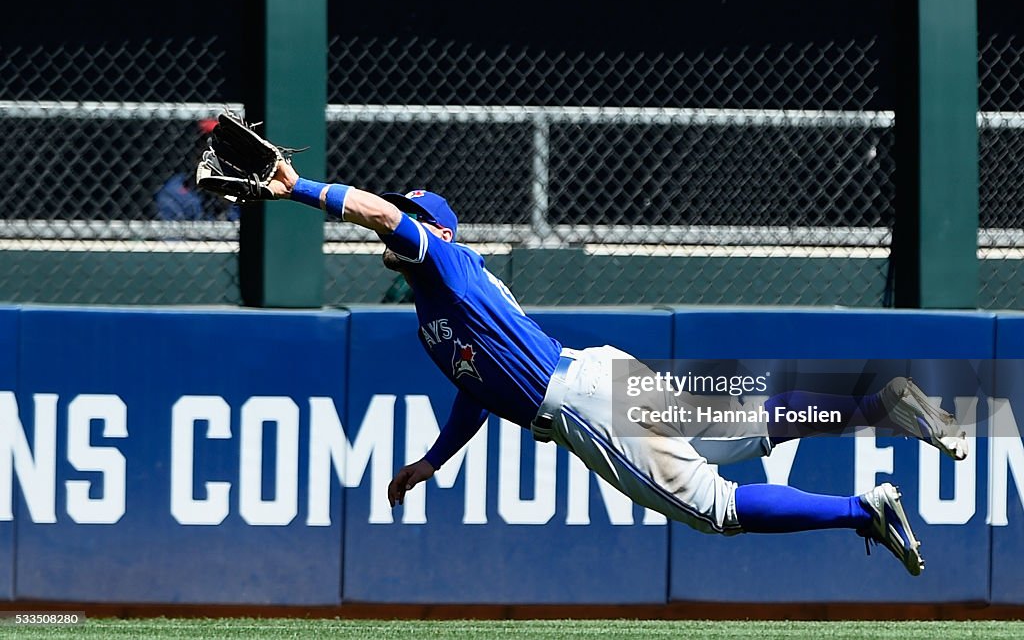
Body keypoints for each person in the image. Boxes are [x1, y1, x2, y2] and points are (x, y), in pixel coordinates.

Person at [258, 159, 968, 578]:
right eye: (411, 212)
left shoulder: (445, 260)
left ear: (438, 230)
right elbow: (472, 393)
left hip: (578, 402)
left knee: (719, 508)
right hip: (594, 375)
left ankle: (862, 510)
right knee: (749, 428)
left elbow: (381, 216)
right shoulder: (431, 315)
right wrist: (430, 462)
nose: (406, 219)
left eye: (420, 214)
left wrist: (296, 188)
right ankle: (880, 406)